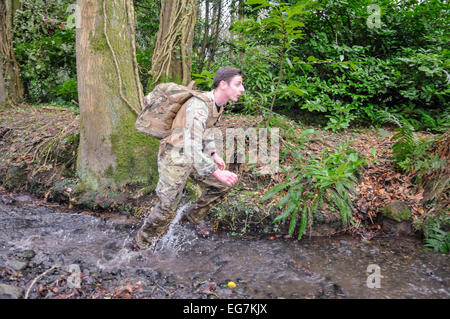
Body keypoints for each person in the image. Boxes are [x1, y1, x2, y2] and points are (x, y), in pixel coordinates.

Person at [136, 66, 245, 249]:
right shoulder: (198, 105)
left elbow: (207, 130)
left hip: (195, 157)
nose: (242, 89)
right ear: (223, 85)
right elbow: (191, 145)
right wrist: (215, 171)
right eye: (238, 84)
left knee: (222, 185)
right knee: (167, 207)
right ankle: (141, 245)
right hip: (175, 158)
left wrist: (213, 154)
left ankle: (190, 218)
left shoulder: (217, 104)